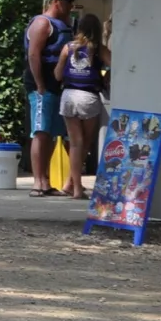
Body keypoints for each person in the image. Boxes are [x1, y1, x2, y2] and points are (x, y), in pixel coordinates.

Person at [24, 0, 74, 197]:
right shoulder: (42, 23)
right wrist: (40, 84)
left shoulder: (64, 24)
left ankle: (46, 180)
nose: (71, 7)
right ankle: (37, 182)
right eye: (68, 2)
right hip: (41, 85)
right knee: (41, 131)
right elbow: (33, 54)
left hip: (57, 85)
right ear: (56, 1)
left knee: (53, 134)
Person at [56, 12, 108, 199]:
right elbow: (117, 66)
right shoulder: (98, 49)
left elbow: (57, 75)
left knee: (76, 144)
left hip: (68, 95)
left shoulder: (68, 47)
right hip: (89, 97)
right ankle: (77, 188)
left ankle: (71, 184)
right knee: (84, 143)